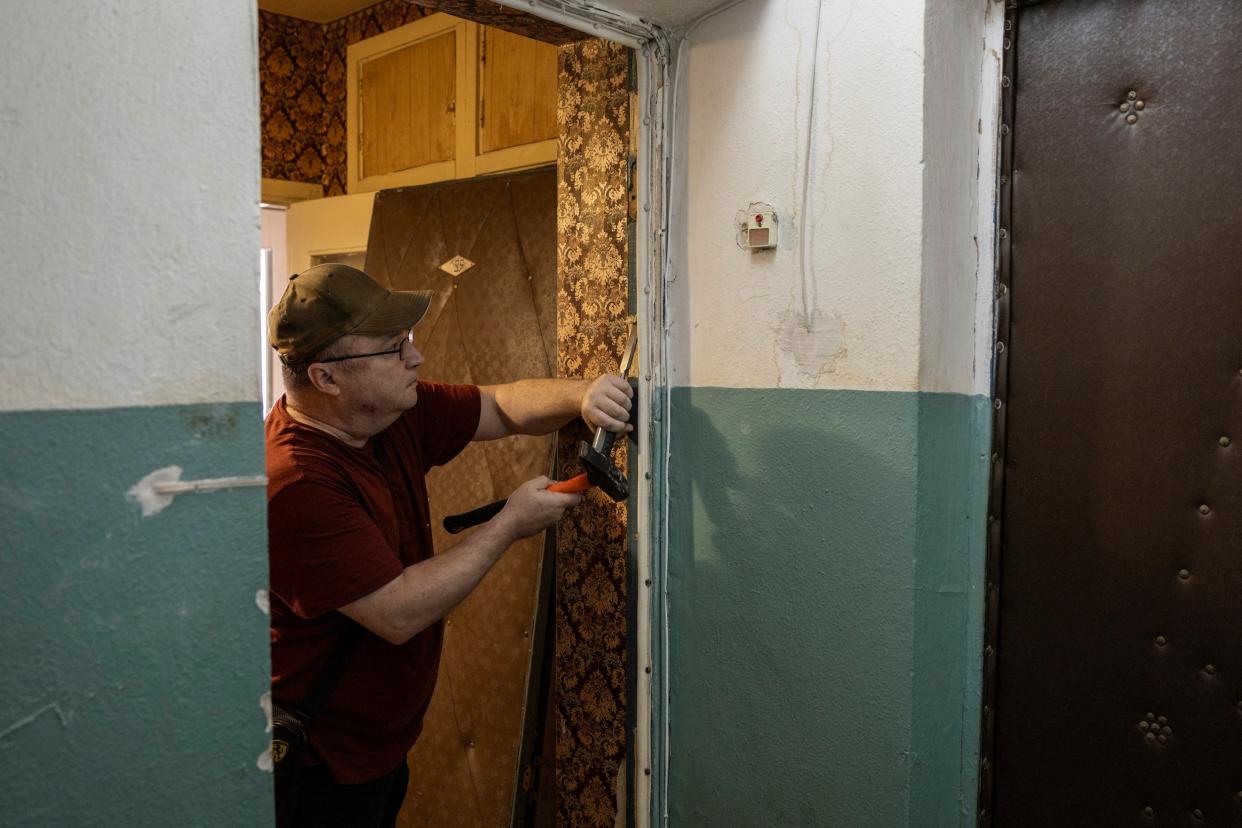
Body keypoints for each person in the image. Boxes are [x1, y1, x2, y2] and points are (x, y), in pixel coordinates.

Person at [264, 263, 632, 826]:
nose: (415, 358)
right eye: (392, 348)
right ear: (327, 379)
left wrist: (583, 395)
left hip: (380, 750)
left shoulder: (386, 413)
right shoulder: (297, 481)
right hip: (323, 770)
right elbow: (398, 610)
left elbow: (499, 406)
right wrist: (508, 524)